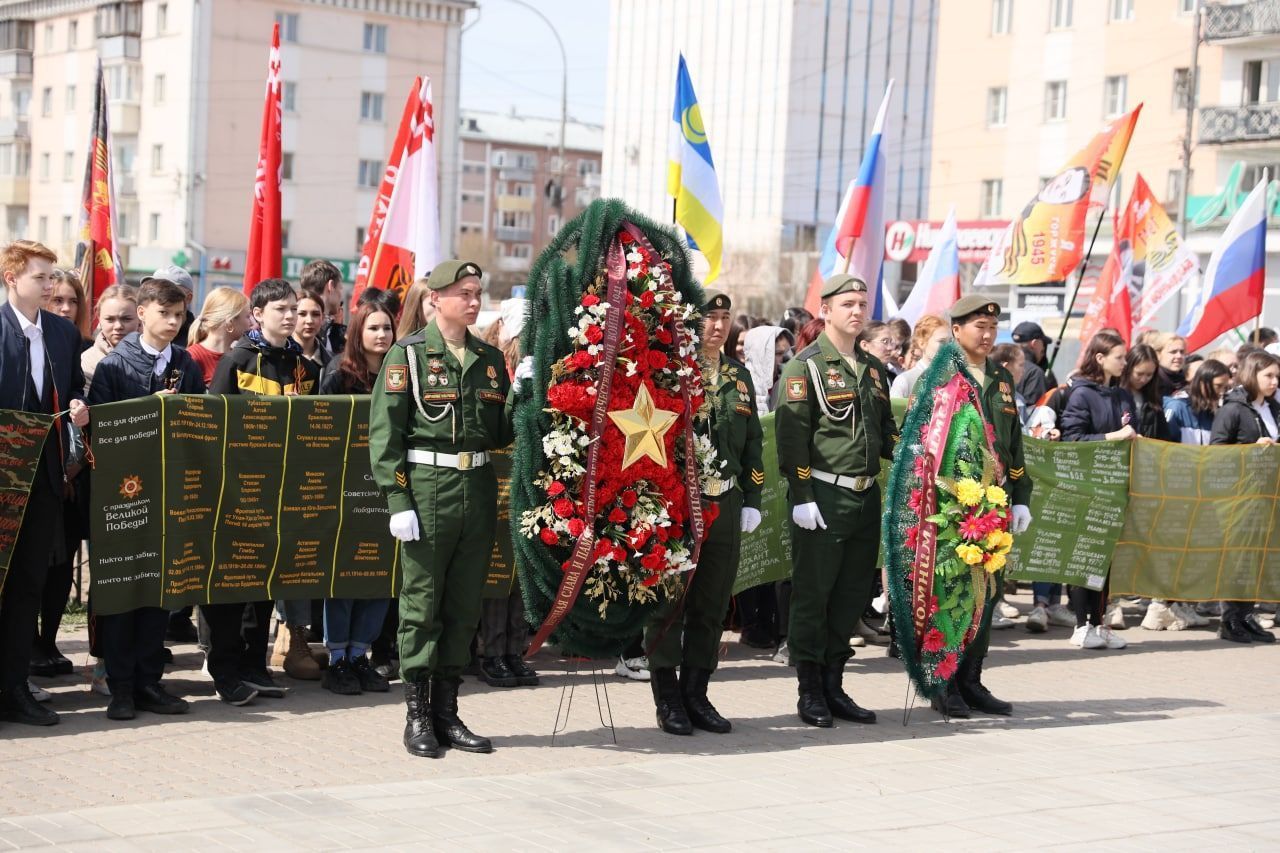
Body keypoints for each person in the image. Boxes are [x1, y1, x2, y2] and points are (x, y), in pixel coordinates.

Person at [369, 260, 513, 758]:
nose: (474, 301)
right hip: (428, 487)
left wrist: (531, 398)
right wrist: (397, 499)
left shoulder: (489, 360)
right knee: (421, 605)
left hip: (477, 486)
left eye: (478, 293)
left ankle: (448, 712)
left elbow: (502, 433)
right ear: (437, 298)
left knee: (463, 605)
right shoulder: (407, 357)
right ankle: (417, 715)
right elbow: (385, 436)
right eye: (465, 293)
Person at [776, 273, 897, 728]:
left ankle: (834, 683)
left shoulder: (872, 368)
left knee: (849, 598)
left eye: (862, 303)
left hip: (866, 499)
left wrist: (915, 449)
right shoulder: (804, 366)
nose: (857, 311)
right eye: (847, 303)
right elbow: (792, 439)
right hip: (824, 496)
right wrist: (802, 495)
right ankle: (809, 689)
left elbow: (884, 432)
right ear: (825, 310)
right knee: (813, 596)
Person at [645, 290, 764, 735]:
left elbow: (753, 441)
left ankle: (697, 693)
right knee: (668, 604)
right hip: (679, 504)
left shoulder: (738, 376)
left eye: (724, 317)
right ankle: (667, 697)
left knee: (712, 605)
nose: (717, 326)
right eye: (708, 317)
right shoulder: (672, 372)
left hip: (726, 502)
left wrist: (752, 499)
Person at [88, 278, 205, 719]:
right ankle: (120, 686)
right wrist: (149, 408)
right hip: (124, 498)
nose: (174, 323)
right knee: (124, 593)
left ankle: (148, 682)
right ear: (142, 313)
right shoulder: (115, 365)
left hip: (168, 495)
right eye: (165, 314)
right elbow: (99, 428)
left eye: (179, 315)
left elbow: (198, 419)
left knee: (159, 591)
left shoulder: (185, 362)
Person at [205, 278, 320, 705]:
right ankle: (226, 671)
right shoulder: (236, 359)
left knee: (265, 583)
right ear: (257, 314)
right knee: (231, 587)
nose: (290, 316)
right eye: (280, 309)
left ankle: (256, 667)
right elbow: (212, 423)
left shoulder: (304, 367)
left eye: (294, 308)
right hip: (237, 491)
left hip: (281, 492)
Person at [0, 240, 90, 726]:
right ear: (12, 279)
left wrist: (78, 405)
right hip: (1, 478)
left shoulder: (60, 332)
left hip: (46, 476)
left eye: (53, 277)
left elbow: (74, 384)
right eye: (41, 277)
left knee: (29, 584)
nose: (52, 286)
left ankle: (15, 686)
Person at [928, 296, 1030, 718]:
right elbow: (925, 446)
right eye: (978, 327)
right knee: (951, 593)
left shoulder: (1001, 378)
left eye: (992, 328)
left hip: (993, 506)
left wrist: (1021, 498)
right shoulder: (940, 377)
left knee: (987, 593)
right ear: (956, 330)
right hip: (952, 506)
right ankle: (943, 681)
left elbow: (1015, 443)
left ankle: (972, 679)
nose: (987, 336)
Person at [316, 302, 397, 694]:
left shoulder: (402, 373)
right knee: (345, 576)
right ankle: (338, 660)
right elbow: (321, 431)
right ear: (357, 333)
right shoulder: (338, 373)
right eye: (373, 328)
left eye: (386, 328)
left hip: (386, 489)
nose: (381, 335)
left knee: (380, 575)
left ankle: (361, 655)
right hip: (346, 489)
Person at [475, 297, 540, 690]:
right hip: (494, 479)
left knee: (521, 574)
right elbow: (493, 424)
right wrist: (516, 389)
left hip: (525, 480)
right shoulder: (492, 369)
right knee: (496, 574)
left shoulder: (539, 370)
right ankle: (492, 652)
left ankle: (516, 650)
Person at [1059, 331, 1134, 651]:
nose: (1125, 362)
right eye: (1119, 356)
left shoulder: (1122, 395)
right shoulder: (1081, 395)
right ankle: (1081, 624)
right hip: (1086, 488)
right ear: (1100, 358)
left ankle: (1100, 623)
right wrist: (1112, 438)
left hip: (1113, 488)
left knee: (1104, 561)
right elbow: (1071, 440)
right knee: (1083, 556)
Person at [1210, 350, 1280, 644]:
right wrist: (1252, 447)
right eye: (1269, 376)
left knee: (1254, 558)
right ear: (1252, 374)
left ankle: (1246, 615)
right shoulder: (1234, 409)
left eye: (1277, 376)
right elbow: (1216, 450)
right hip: (1238, 495)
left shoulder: (1273, 408)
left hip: (1265, 495)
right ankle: (1230, 619)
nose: (1275, 382)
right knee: (1237, 557)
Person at [186, 287, 253, 386]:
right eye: (247, 316)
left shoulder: (239, 357)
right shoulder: (192, 357)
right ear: (230, 322)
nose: (251, 323)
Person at [81, 284, 138, 392]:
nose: (118, 326)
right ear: (98, 316)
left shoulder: (157, 355)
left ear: (140, 316)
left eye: (126, 319)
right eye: (110, 319)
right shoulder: (87, 362)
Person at [890, 315, 948, 399]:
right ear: (922, 343)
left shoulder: (953, 379)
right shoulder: (905, 380)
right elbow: (895, 410)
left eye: (950, 341)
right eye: (941, 341)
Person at [741, 324, 793, 415]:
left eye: (786, 353)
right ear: (761, 353)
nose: (784, 359)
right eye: (778, 353)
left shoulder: (788, 382)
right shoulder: (741, 385)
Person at [299, 259, 347, 356]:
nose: (309, 321)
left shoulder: (331, 330)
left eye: (316, 314)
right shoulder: (310, 329)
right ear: (331, 286)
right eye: (340, 288)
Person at [1012, 321, 1058, 404]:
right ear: (1034, 343)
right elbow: (1033, 412)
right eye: (1043, 344)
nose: (1044, 348)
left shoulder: (1002, 365)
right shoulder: (1034, 373)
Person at [47, 268, 92, 345]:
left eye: (73, 301)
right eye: (58, 300)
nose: (66, 308)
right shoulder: (32, 344)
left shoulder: (90, 350)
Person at [292, 290, 332, 371]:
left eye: (315, 314)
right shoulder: (278, 357)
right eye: (302, 314)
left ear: (323, 318)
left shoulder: (332, 363)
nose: (309, 320)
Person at [1150, 332, 1188, 398]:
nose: (1179, 356)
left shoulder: (1188, 381)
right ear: (1158, 354)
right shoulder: (1151, 381)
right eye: (1173, 352)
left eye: (1182, 352)